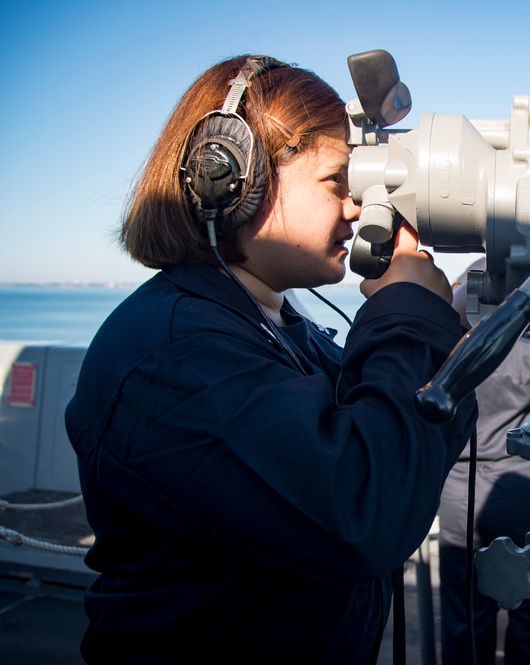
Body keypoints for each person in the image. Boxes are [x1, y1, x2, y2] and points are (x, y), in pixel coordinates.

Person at [64, 55, 476, 664]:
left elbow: (400, 441)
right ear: (229, 179)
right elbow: (362, 512)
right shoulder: (172, 354)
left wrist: (434, 331)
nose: (356, 208)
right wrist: (408, 315)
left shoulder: (274, 326)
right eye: (337, 182)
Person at [437, 262, 530, 665]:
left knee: (463, 610)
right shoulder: (526, 353)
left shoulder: (442, 348)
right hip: (515, 488)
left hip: (455, 492)